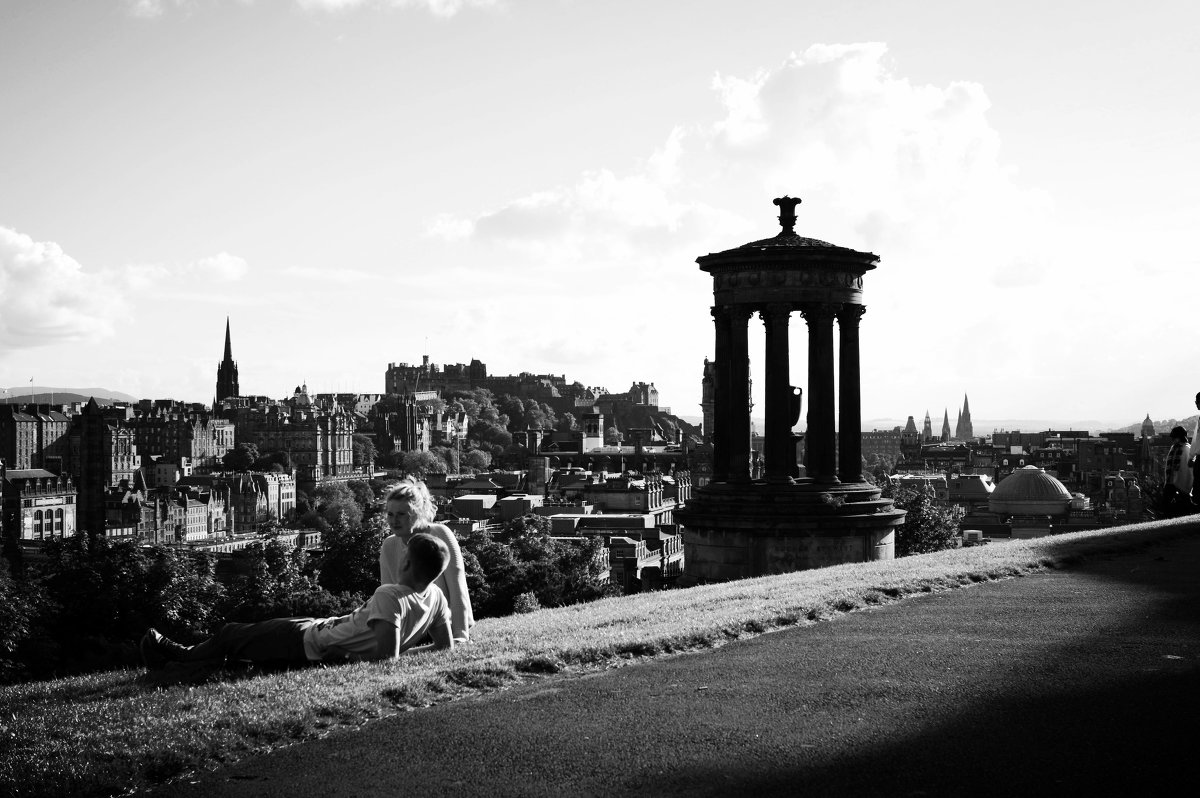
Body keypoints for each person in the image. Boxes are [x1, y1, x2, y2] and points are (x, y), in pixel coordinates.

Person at [141, 532, 453, 670]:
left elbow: (388, 658)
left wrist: (346, 658)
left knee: (230, 633)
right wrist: (410, 646)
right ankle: (184, 663)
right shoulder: (437, 597)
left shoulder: (390, 595)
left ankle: (176, 656)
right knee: (248, 639)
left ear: (408, 564)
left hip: (309, 643)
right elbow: (445, 647)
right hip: (315, 628)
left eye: (404, 558)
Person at [380, 478, 475, 643]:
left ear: (417, 512)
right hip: (413, 632)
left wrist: (460, 635)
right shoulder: (389, 545)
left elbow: (457, 590)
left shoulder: (441, 534)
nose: (394, 520)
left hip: (447, 626)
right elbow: (388, 599)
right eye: (390, 514)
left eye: (402, 514)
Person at [1163, 426, 1191, 516]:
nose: (1173, 439)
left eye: (1174, 437)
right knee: (1165, 501)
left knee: (1186, 500)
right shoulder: (1173, 448)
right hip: (1170, 480)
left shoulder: (1187, 448)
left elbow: (1186, 468)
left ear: (1180, 437)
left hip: (1181, 480)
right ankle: (1166, 517)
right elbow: (1169, 465)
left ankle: (1188, 515)